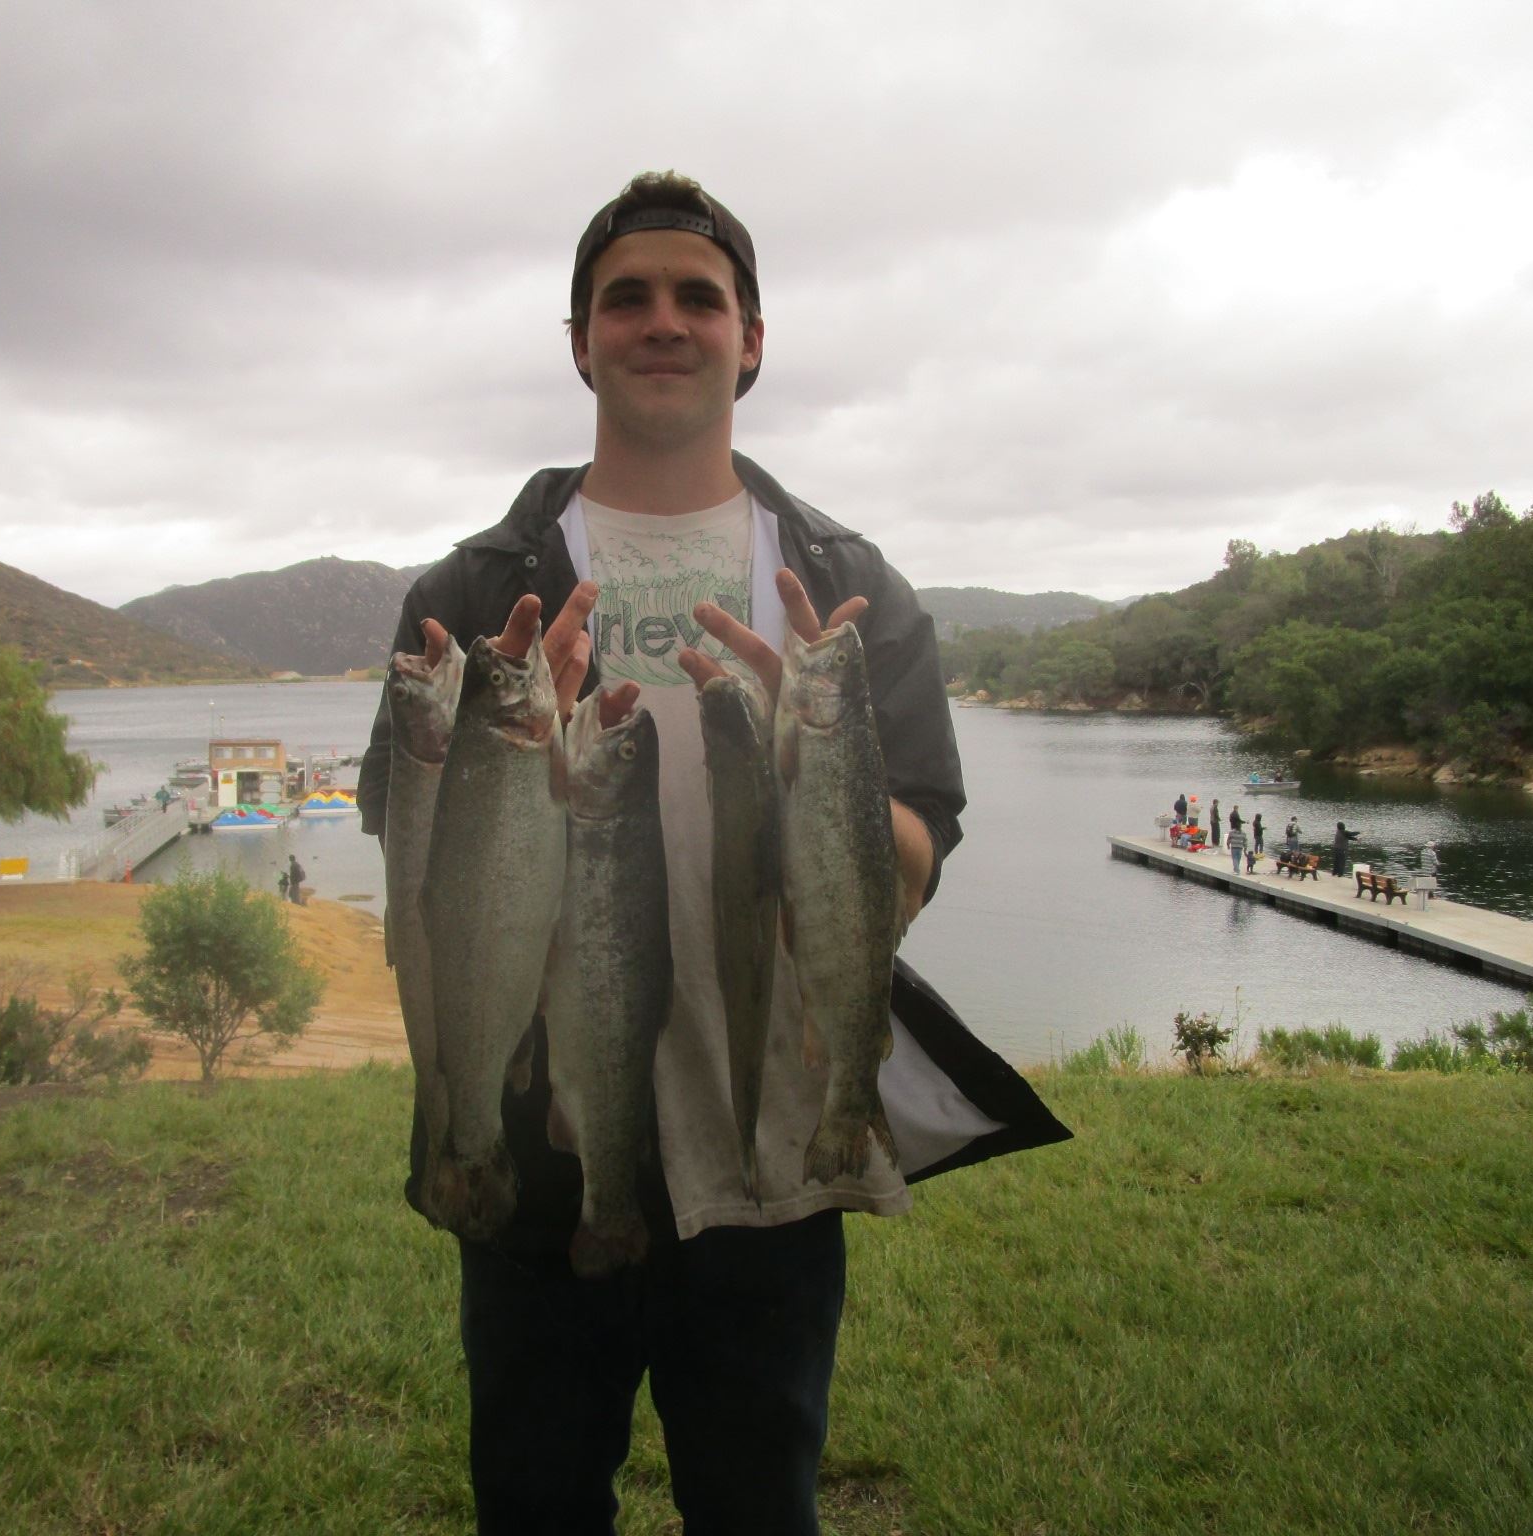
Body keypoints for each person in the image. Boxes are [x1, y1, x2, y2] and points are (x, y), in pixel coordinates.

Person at [356, 171, 1068, 1534]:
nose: (663, 321)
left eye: (700, 296)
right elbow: (410, 854)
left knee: (759, 1508)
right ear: (579, 341)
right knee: (535, 1503)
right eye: (627, 297)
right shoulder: (472, 590)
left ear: (752, 338)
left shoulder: (846, 594)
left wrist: (828, 788)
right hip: (539, 1154)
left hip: (771, 1158)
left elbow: (914, 864)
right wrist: (501, 765)